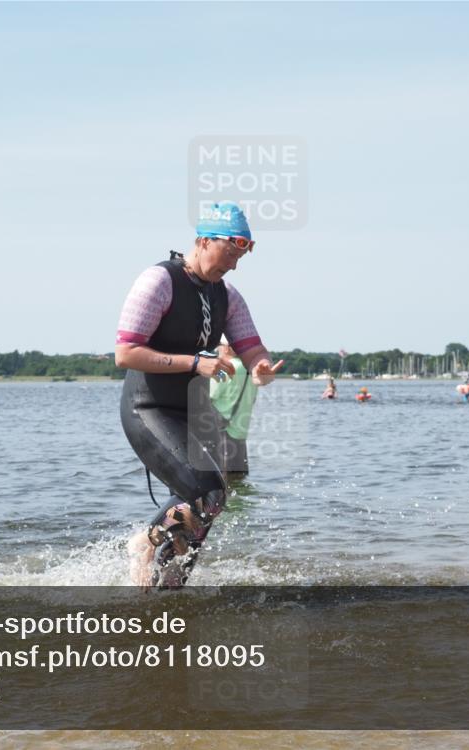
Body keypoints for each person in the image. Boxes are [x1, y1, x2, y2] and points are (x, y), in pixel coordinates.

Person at [116, 202, 283, 589]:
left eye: (240, 258)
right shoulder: (158, 281)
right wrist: (195, 363)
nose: (234, 266)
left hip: (190, 412)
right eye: (229, 255)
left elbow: (252, 347)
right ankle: (146, 542)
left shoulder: (227, 295)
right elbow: (125, 353)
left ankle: (167, 587)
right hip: (149, 408)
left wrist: (260, 367)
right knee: (210, 491)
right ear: (203, 240)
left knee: (203, 508)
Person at [208, 339, 258, 477]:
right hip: (241, 434)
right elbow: (252, 400)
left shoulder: (223, 370)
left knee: (221, 483)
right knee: (238, 481)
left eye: (218, 346)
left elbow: (209, 397)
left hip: (222, 434)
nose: (217, 350)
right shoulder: (251, 370)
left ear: (227, 348)